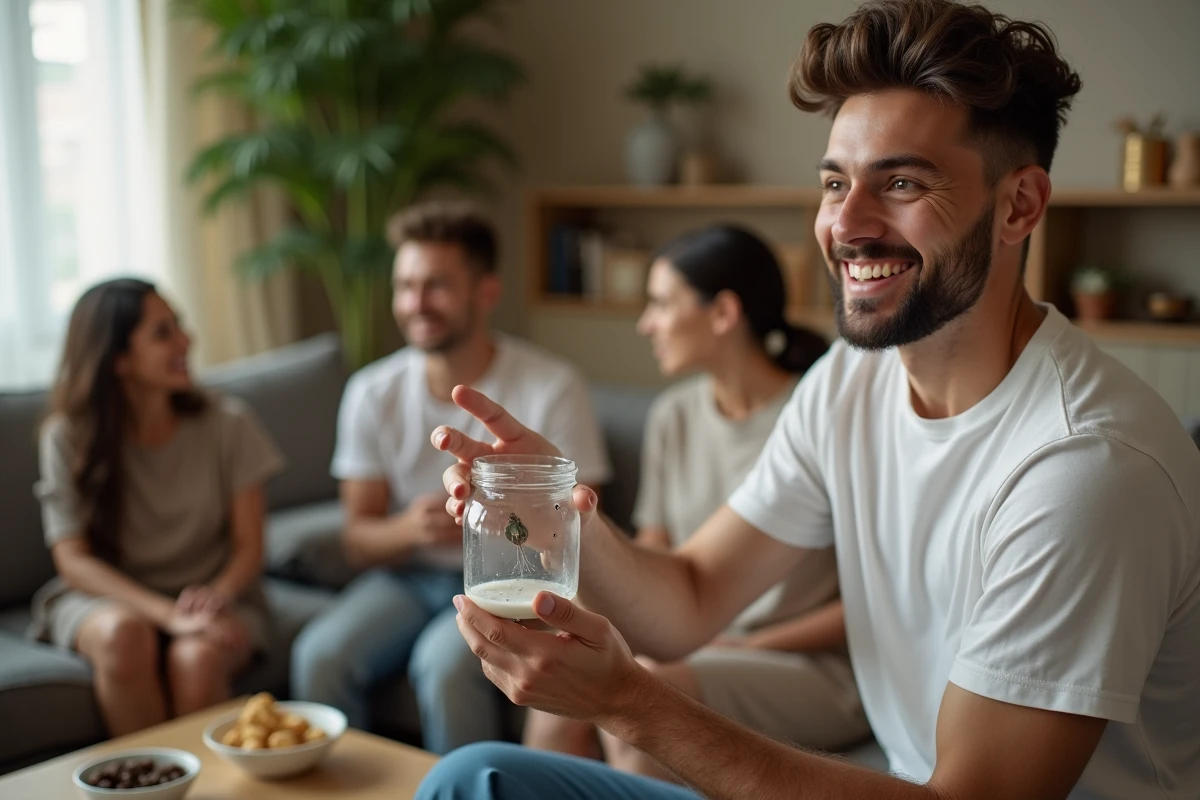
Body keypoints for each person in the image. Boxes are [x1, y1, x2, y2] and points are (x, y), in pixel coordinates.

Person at [417, 1, 1200, 798]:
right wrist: (561, 509)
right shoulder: (851, 382)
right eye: (835, 182)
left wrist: (626, 698)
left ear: (1020, 205)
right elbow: (690, 597)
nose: (847, 225)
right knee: (476, 776)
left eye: (901, 181)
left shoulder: (1084, 467)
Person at [523, 224, 869, 780]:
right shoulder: (674, 415)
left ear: (723, 313)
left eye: (660, 303)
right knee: (558, 688)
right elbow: (653, 553)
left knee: (643, 699)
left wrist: (746, 643)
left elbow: (873, 602)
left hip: (808, 663)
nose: (646, 324)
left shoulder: (817, 421)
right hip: (696, 638)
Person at [290, 202, 611, 754]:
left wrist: (496, 522)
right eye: (405, 285)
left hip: (505, 584)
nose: (416, 304)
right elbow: (357, 536)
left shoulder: (551, 386)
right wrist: (408, 533)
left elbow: (585, 528)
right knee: (319, 655)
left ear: (486, 292)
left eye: (436, 286)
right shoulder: (372, 392)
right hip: (408, 578)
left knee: (444, 667)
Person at [30, 278, 282, 737]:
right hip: (107, 599)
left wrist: (216, 598)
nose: (186, 341)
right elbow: (72, 560)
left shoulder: (230, 425)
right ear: (118, 359)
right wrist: (169, 616)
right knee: (124, 637)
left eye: (179, 326)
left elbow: (250, 547)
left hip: (213, 593)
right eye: (163, 333)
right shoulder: (67, 437)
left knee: (197, 657)